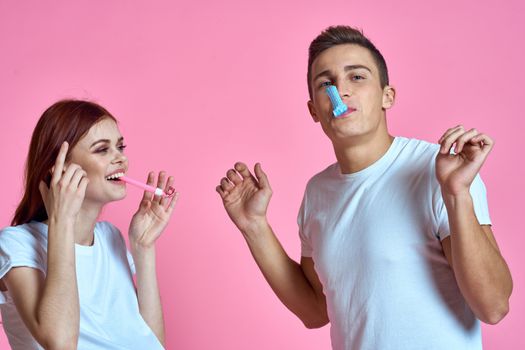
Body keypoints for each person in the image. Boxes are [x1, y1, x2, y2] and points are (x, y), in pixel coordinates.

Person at [216, 25, 512, 349]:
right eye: (326, 83)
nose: (340, 91)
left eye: (356, 77)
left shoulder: (438, 170)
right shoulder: (317, 193)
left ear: (388, 96)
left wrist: (456, 193)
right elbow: (315, 310)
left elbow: (493, 306)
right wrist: (254, 226)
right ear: (314, 110)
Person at [0, 100, 178, 349]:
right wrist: (62, 221)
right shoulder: (15, 245)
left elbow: (152, 344)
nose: (121, 159)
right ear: (59, 169)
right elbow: (59, 343)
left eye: (120, 147)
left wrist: (143, 247)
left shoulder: (110, 238)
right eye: (102, 150)